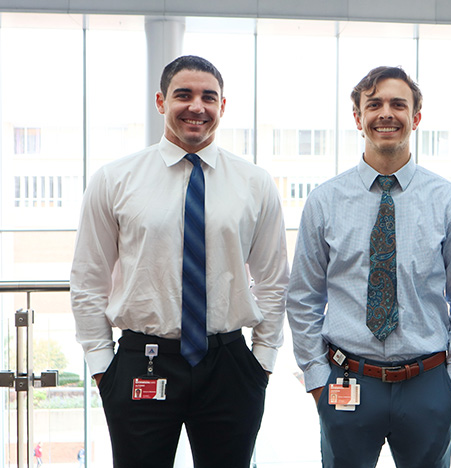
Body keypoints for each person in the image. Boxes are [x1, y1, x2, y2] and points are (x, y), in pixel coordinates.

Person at [70, 55, 289, 468]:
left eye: (209, 97)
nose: (196, 107)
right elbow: (88, 278)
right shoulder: (115, 179)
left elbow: (274, 280)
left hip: (230, 365)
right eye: (183, 95)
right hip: (142, 361)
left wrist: (261, 361)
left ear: (222, 106)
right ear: (161, 101)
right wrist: (102, 366)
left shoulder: (255, 183)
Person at [287, 66, 451, 467]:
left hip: (428, 384)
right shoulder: (324, 201)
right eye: (374, 104)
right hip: (347, 380)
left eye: (398, 104)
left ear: (416, 117)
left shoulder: (449, 200)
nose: (386, 113)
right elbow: (303, 297)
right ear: (358, 118)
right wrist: (317, 379)